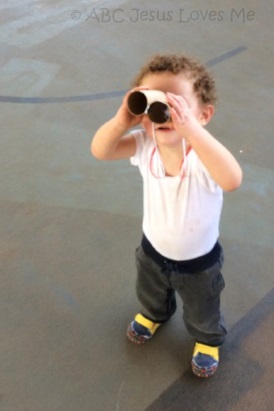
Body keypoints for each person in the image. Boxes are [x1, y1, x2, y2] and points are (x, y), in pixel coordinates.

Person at [91, 54, 242, 378]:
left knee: (203, 308)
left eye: (175, 105)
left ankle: (206, 339)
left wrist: (193, 133)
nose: (162, 114)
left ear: (203, 115)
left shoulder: (202, 156)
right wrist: (122, 120)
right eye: (151, 104)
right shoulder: (145, 144)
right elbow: (101, 151)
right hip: (152, 251)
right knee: (150, 291)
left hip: (199, 264)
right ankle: (154, 313)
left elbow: (232, 179)